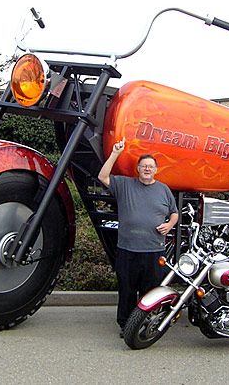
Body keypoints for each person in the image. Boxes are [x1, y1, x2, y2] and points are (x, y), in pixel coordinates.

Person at [98, 138, 178, 337]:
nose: (147, 169)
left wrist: (170, 224)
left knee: (150, 292)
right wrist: (115, 153)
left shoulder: (164, 189)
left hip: (155, 251)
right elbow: (102, 176)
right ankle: (126, 326)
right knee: (127, 290)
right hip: (128, 250)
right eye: (144, 166)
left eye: (150, 166)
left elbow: (174, 213)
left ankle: (145, 324)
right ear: (138, 169)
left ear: (156, 170)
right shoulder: (124, 184)